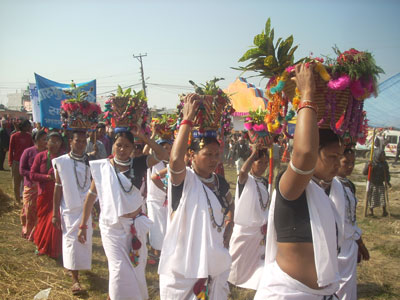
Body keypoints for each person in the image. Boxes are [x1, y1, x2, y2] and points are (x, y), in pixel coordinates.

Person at [255, 64, 344, 299]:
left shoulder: (325, 193)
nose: (339, 163)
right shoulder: (290, 186)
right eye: (332, 156)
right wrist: (306, 94)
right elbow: (304, 155)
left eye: (340, 157)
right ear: (316, 153)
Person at [78, 126, 169, 300]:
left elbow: (163, 155)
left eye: (127, 146)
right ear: (113, 145)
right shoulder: (103, 167)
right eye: (119, 145)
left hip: (135, 226)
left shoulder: (139, 163)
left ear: (133, 148)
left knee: (136, 268)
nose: (122, 149)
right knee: (119, 268)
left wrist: (143, 136)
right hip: (112, 227)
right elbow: (91, 197)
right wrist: (83, 224)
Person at [158, 94, 234, 300]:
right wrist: (187, 120)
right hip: (184, 265)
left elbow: (230, 205)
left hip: (213, 261)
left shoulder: (220, 182)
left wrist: (229, 223)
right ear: (191, 155)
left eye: (216, 155)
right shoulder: (185, 180)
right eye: (207, 154)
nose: (213, 160)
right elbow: (174, 160)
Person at [52, 131, 93, 295]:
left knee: (83, 241)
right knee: (70, 241)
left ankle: (77, 268)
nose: (81, 144)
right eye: (78, 141)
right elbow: (57, 187)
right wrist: (55, 212)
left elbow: (93, 186)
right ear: (71, 142)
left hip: (85, 209)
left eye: (84, 141)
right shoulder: (61, 162)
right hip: (69, 209)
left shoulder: (90, 162)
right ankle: (75, 280)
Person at [228, 144, 269, 290]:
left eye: (266, 163)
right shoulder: (246, 179)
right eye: (260, 162)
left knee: (255, 261)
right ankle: (230, 284)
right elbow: (243, 171)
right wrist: (253, 154)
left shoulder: (263, 182)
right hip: (244, 229)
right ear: (252, 163)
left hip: (258, 230)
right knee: (235, 260)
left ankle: (250, 282)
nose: (263, 166)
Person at [333, 148, 369, 300]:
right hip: (335, 245)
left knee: (347, 289)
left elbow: (351, 219)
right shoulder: (329, 185)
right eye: (345, 162)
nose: (350, 166)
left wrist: (359, 243)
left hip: (349, 245)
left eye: (353, 163)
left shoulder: (349, 185)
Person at [31, 132, 63, 258]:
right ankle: (41, 245)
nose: (54, 144)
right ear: (46, 142)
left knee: (54, 221)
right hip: (44, 193)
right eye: (52, 141)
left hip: (58, 194)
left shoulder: (63, 159)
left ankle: (55, 248)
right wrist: (47, 177)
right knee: (43, 220)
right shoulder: (40, 157)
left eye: (57, 142)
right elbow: (32, 174)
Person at [146, 139, 172, 259]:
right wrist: (167, 190)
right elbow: (154, 178)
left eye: (168, 147)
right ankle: (154, 251)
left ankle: (161, 252)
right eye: (163, 148)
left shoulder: (168, 162)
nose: (166, 150)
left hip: (165, 200)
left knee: (164, 227)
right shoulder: (155, 162)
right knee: (155, 227)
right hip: (155, 199)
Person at [19, 130, 47, 240]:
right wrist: (33, 175)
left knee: (39, 210)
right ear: (36, 140)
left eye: (46, 139)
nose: (45, 142)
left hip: (42, 186)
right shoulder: (28, 152)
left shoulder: (47, 153)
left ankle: (36, 234)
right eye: (43, 139)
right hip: (30, 185)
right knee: (29, 209)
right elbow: (21, 170)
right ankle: (27, 230)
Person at [8, 119, 33, 205]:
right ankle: (17, 200)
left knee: (26, 182)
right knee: (16, 182)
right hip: (16, 162)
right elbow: (11, 150)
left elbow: (31, 150)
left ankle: (25, 199)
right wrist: (10, 162)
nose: (29, 128)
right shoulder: (14, 136)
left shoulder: (30, 137)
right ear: (23, 126)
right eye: (28, 126)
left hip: (26, 163)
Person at [363, 149, 391, 216]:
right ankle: (371, 211)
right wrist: (368, 166)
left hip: (380, 183)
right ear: (378, 155)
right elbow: (364, 172)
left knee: (382, 198)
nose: (384, 157)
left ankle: (384, 211)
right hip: (372, 183)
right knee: (372, 198)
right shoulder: (372, 163)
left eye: (384, 155)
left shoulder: (384, 164)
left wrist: (388, 181)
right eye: (382, 155)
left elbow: (387, 173)